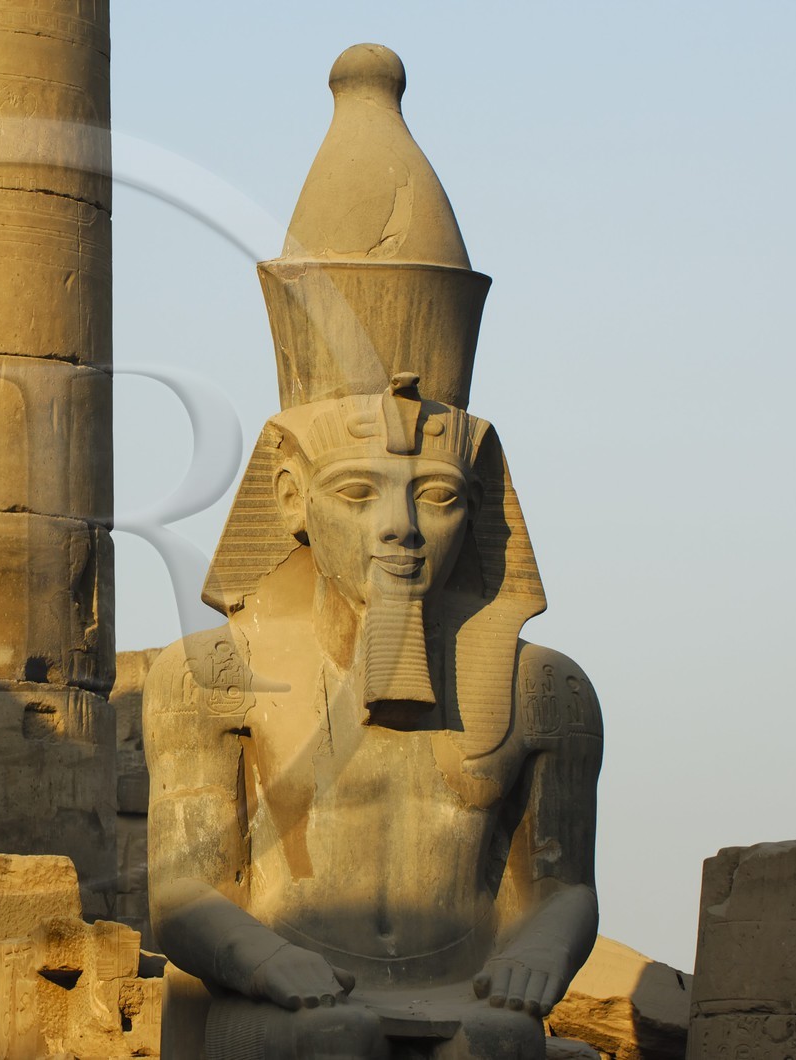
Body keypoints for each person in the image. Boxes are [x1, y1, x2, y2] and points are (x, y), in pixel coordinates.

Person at [143, 44, 603, 1059]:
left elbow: (562, 881)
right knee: (338, 1040)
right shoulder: (210, 677)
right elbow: (181, 890)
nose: (400, 526)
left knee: (503, 1049)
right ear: (290, 497)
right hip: (270, 998)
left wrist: (542, 947)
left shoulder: (545, 692)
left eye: (434, 497)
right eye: (360, 493)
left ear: (478, 504)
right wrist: (263, 960)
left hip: (461, 993)